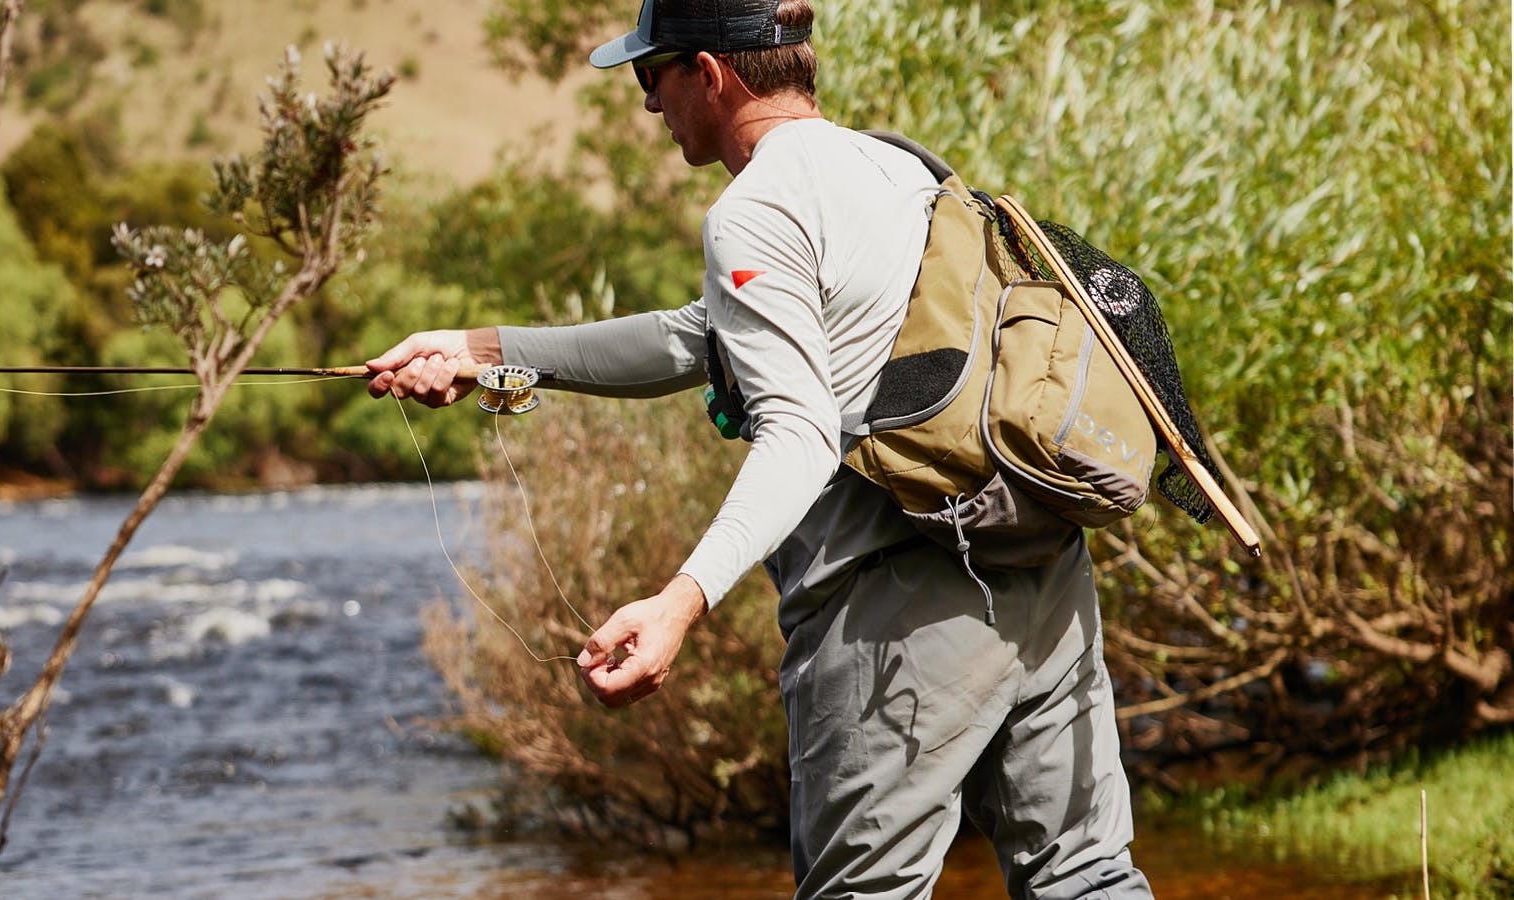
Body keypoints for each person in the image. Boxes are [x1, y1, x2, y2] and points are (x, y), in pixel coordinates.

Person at [365, 1, 1154, 897]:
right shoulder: (901, 165)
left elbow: (803, 431)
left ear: (708, 73)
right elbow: (695, 339)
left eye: (649, 76)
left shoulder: (754, 211)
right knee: (1086, 875)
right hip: (1039, 562)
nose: (649, 105)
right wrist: (484, 351)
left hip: (893, 603)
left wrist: (678, 602)